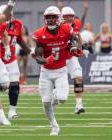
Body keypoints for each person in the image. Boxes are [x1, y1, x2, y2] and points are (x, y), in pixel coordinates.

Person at [33, 6, 82, 135]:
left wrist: (74, 48)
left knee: (63, 99)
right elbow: (38, 57)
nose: (50, 20)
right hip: (46, 72)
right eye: (48, 17)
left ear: (58, 18)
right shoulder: (40, 34)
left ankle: (55, 94)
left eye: (53, 17)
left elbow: (74, 39)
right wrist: (45, 60)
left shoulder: (66, 29)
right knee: (45, 103)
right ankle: (54, 126)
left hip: (61, 70)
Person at [0, 5, 31, 119]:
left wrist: (30, 52)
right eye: (6, 14)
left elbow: (20, 40)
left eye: (10, 14)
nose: (9, 16)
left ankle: (12, 111)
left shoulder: (18, 24)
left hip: (11, 59)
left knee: (15, 83)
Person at [61, 6, 87, 114]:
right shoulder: (58, 27)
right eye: (67, 17)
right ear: (62, 18)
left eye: (71, 16)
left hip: (71, 57)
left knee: (78, 77)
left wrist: (83, 47)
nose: (70, 19)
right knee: (61, 94)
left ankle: (79, 104)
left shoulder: (76, 23)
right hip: (60, 58)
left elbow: (77, 34)